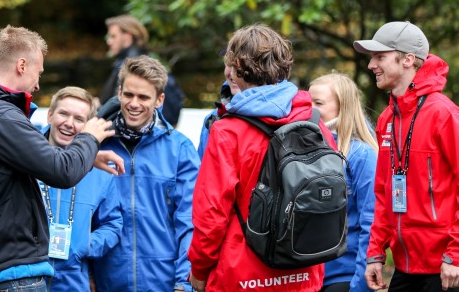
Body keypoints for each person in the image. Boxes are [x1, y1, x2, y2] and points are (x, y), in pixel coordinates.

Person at [0, 25, 124, 292]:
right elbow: (62, 171)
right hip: (12, 275)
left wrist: (88, 155)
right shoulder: (0, 117)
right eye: (38, 72)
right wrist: (89, 137)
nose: (38, 83)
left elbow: (35, 158)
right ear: (21, 65)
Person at [188, 23, 337, 292]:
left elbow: (211, 214)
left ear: (237, 70)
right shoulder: (315, 123)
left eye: (229, 64)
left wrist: (198, 269)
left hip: (241, 275)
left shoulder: (227, 131)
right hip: (303, 271)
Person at [353, 21, 459, 292]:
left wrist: (455, 255)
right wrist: (375, 253)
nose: (370, 65)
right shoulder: (387, 118)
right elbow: (382, 192)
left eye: (380, 57)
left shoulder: (444, 114)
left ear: (408, 60)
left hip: (445, 267)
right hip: (404, 266)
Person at [92, 55, 200, 291]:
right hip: (106, 280)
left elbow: (189, 222)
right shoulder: (97, 144)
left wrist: (184, 282)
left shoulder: (180, 149)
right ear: (118, 93)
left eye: (143, 97)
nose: (134, 103)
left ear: (159, 99)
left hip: (163, 281)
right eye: (129, 94)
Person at [40, 86, 122, 292]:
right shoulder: (25, 157)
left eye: (79, 119)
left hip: (73, 280)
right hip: (27, 277)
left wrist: (84, 245)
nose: (69, 123)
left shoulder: (101, 172)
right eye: (63, 114)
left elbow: (113, 224)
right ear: (50, 115)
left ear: (88, 127)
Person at [309, 73, 378, 292]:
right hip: (307, 277)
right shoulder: (303, 149)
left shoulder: (361, 154)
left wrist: (360, 284)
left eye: (318, 103)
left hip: (344, 275)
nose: (309, 108)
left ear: (343, 107)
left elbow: (371, 219)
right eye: (307, 101)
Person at [98, 14, 185, 125]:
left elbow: (115, 108)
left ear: (127, 37)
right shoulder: (148, 59)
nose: (109, 41)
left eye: (113, 36)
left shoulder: (128, 68)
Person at [197, 64, 240, 158]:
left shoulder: (275, 114)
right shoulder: (212, 118)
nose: (233, 72)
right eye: (229, 64)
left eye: (240, 65)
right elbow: (202, 168)